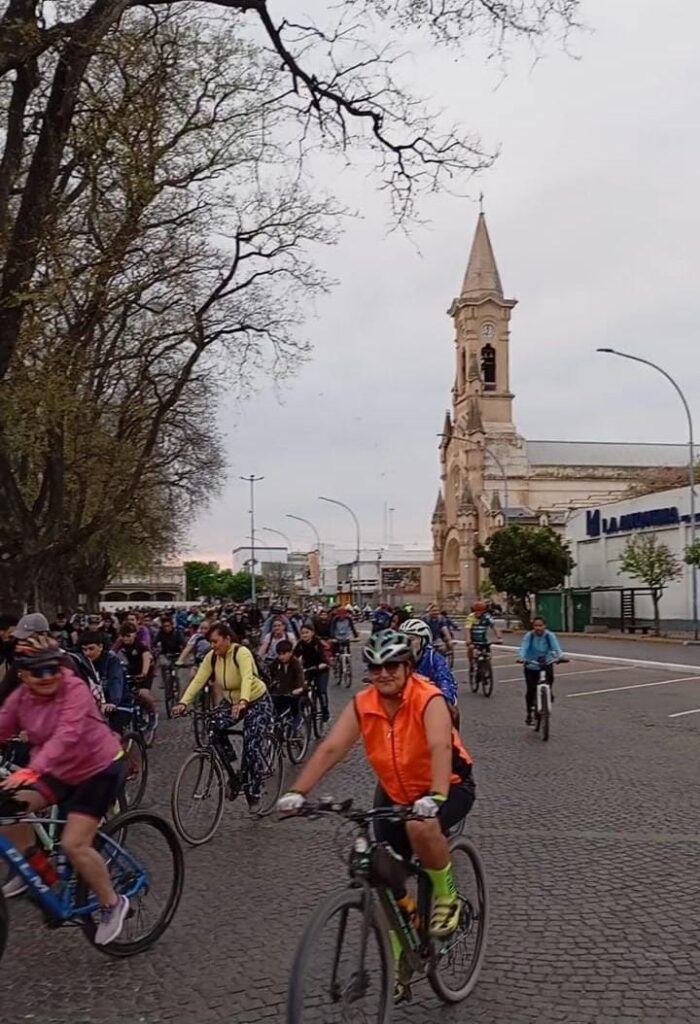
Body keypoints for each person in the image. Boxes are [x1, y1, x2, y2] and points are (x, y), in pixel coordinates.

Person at [278, 630, 475, 942]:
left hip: (449, 784)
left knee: (420, 827)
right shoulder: (364, 703)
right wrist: (297, 792)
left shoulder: (428, 698)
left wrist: (435, 796)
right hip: (395, 791)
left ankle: (446, 895)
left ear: (408, 668)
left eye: (392, 667)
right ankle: (400, 962)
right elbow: (332, 748)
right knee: (382, 874)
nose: (383, 674)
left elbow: (441, 748)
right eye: (375, 668)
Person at [0, 636, 128, 942]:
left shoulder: (75, 689)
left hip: (99, 768)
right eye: (39, 672)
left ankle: (113, 902)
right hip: (57, 770)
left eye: (53, 669)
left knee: (74, 844)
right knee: (6, 807)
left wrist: (32, 769)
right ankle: (32, 865)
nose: (48, 677)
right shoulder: (20, 698)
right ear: (23, 674)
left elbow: (66, 735)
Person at [172, 622, 273, 815]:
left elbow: (247, 678)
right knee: (213, 725)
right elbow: (198, 681)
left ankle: (254, 792)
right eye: (210, 642)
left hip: (256, 700)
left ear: (227, 639)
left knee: (252, 745)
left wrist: (243, 701)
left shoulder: (241, 652)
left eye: (216, 641)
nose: (213, 646)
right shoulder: (212, 658)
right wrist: (183, 702)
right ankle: (234, 769)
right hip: (231, 701)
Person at [399, 618, 457, 707]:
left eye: (411, 639)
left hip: (428, 704)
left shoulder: (433, 658)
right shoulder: (397, 658)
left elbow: (446, 680)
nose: (406, 644)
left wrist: (445, 701)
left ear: (423, 641)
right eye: (403, 639)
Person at [115, 623, 158, 743]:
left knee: (143, 694)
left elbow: (146, 658)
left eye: (128, 635)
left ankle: (153, 713)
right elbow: (112, 656)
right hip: (128, 674)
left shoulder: (140, 646)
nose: (126, 638)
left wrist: (143, 673)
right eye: (123, 636)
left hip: (143, 673)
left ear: (134, 635)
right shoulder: (119, 647)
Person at [517, 617, 563, 725]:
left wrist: (560, 656)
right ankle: (529, 714)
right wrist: (521, 657)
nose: (538, 628)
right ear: (533, 627)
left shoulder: (549, 635)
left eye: (540, 625)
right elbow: (524, 647)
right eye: (536, 626)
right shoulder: (529, 636)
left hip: (546, 662)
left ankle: (548, 693)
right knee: (530, 689)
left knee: (550, 679)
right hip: (532, 664)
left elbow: (556, 647)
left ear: (545, 626)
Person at [80, 632, 125, 713]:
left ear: (100, 647)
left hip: (117, 702)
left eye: (91, 648)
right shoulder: (82, 662)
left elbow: (115, 680)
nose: (87, 653)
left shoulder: (111, 661)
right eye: (84, 649)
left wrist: (113, 702)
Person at [294, 622, 330, 722]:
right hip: (307, 670)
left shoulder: (319, 644)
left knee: (321, 691)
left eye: (307, 632)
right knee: (302, 690)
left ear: (312, 633)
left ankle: (325, 710)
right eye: (302, 633)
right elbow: (294, 658)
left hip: (321, 670)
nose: (304, 635)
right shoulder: (300, 645)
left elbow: (326, 661)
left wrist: (319, 667)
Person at [268, 639, 306, 722]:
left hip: (293, 690)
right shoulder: (276, 662)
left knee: (294, 702)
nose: (281, 657)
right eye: (279, 654)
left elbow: (300, 676)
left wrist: (299, 688)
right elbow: (269, 673)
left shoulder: (295, 663)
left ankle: (297, 718)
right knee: (274, 704)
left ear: (290, 652)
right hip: (281, 690)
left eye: (284, 654)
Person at [465, 600, 502, 677]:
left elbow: (494, 627)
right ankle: (471, 663)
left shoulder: (487, 617)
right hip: (473, 639)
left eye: (480, 611)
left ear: (484, 611)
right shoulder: (471, 617)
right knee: (471, 648)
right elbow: (468, 629)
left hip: (483, 640)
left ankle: (486, 668)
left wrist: (499, 637)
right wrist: (468, 639)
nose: (478, 613)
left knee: (487, 655)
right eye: (476, 611)